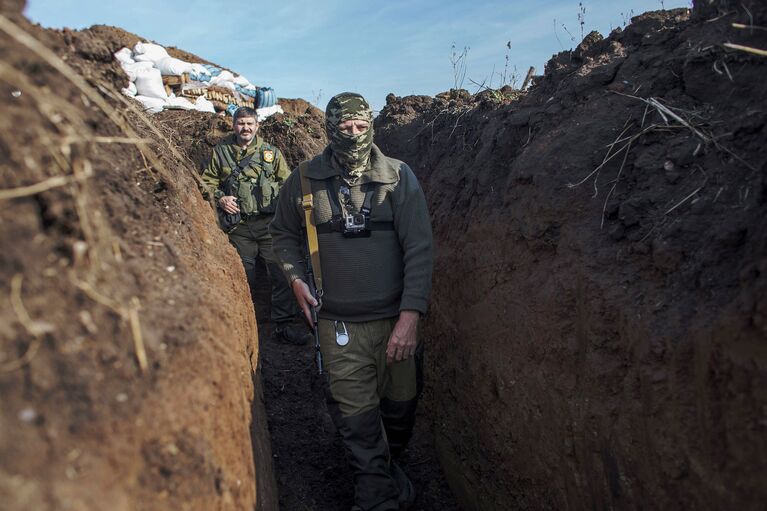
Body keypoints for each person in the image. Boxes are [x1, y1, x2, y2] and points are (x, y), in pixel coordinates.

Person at [270, 92, 434, 510]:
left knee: (400, 411)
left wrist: (411, 315)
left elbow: (419, 247)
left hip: (396, 323)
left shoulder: (398, 176)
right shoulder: (304, 179)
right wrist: (293, 278)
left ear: (372, 126)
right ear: (330, 129)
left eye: (361, 127)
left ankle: (389, 464)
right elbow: (283, 234)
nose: (354, 134)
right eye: (345, 128)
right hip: (338, 327)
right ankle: (375, 493)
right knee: (358, 422)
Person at [201, 106, 311, 345]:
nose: (245, 128)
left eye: (250, 123)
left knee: (282, 275)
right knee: (243, 277)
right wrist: (220, 197)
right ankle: (244, 327)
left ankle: (283, 325)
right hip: (239, 228)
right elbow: (207, 181)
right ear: (233, 125)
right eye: (241, 123)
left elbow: (288, 183)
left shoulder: (271, 153)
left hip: (270, 227)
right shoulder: (221, 152)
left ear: (257, 126)